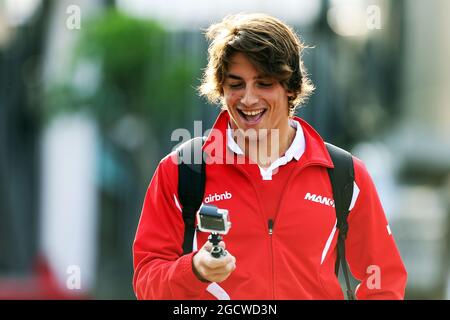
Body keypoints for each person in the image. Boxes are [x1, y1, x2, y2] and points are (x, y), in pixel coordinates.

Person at [132, 13, 407, 300]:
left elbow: (383, 279)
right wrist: (194, 270)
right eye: (236, 84)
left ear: (291, 88)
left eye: (264, 83)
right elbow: (146, 281)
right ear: (221, 89)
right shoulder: (182, 170)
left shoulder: (345, 174)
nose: (249, 99)